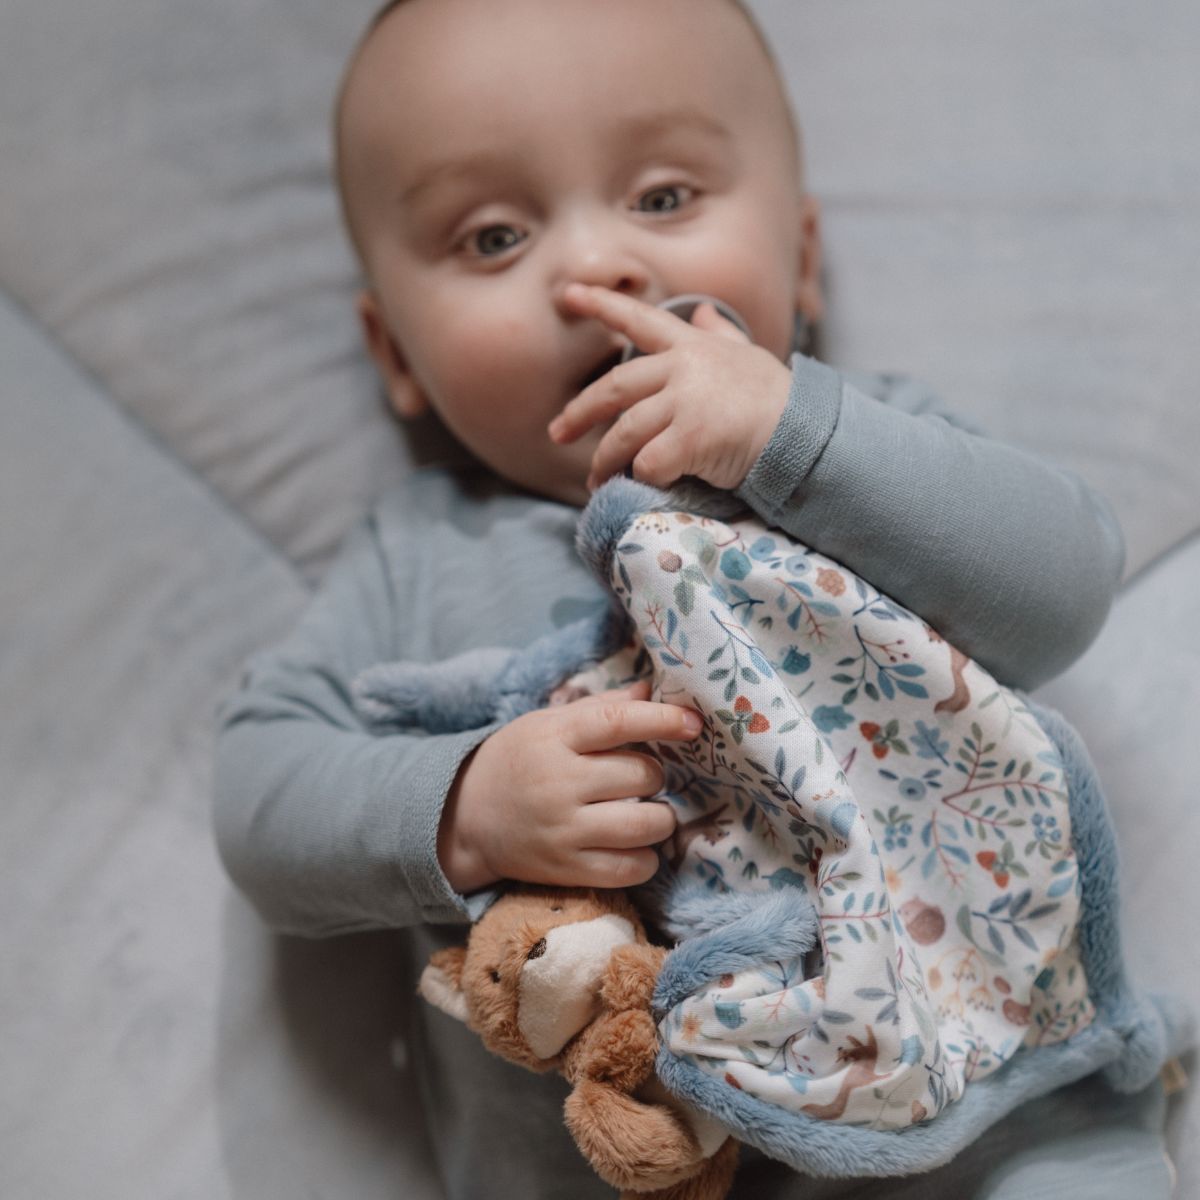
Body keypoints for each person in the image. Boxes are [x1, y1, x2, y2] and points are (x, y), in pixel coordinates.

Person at [213, 0, 1135, 1195]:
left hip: (979, 1132)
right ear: (396, 354)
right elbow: (258, 789)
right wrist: (462, 809)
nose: (597, 265)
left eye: (661, 199)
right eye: (494, 238)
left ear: (801, 262)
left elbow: (1066, 585)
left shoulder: (862, 460)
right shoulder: (420, 555)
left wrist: (792, 435)